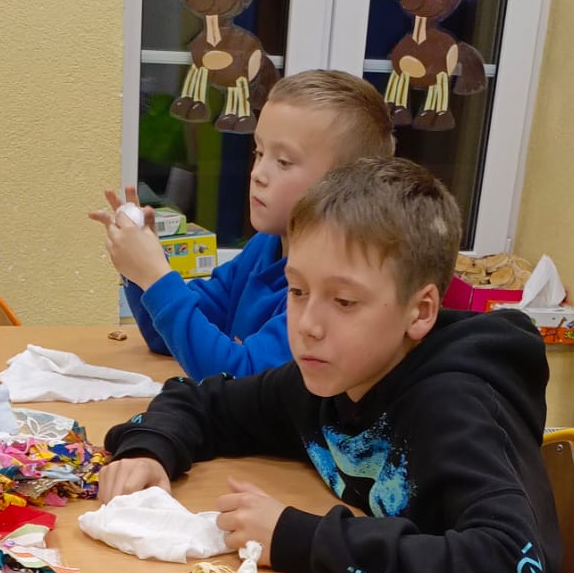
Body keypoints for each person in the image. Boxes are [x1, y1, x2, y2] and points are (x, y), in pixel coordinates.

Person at [99, 157, 568, 573]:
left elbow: (513, 571)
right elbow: (203, 400)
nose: (308, 325)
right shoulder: (331, 376)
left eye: (344, 301)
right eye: (297, 291)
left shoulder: (456, 406)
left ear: (420, 312)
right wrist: (150, 447)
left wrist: (300, 538)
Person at [89, 71, 393, 382]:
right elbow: (170, 336)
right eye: (259, 152)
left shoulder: (328, 286)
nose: (257, 173)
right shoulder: (265, 245)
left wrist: (155, 275)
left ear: (344, 185)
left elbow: (240, 378)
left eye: (283, 161)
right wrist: (140, 268)